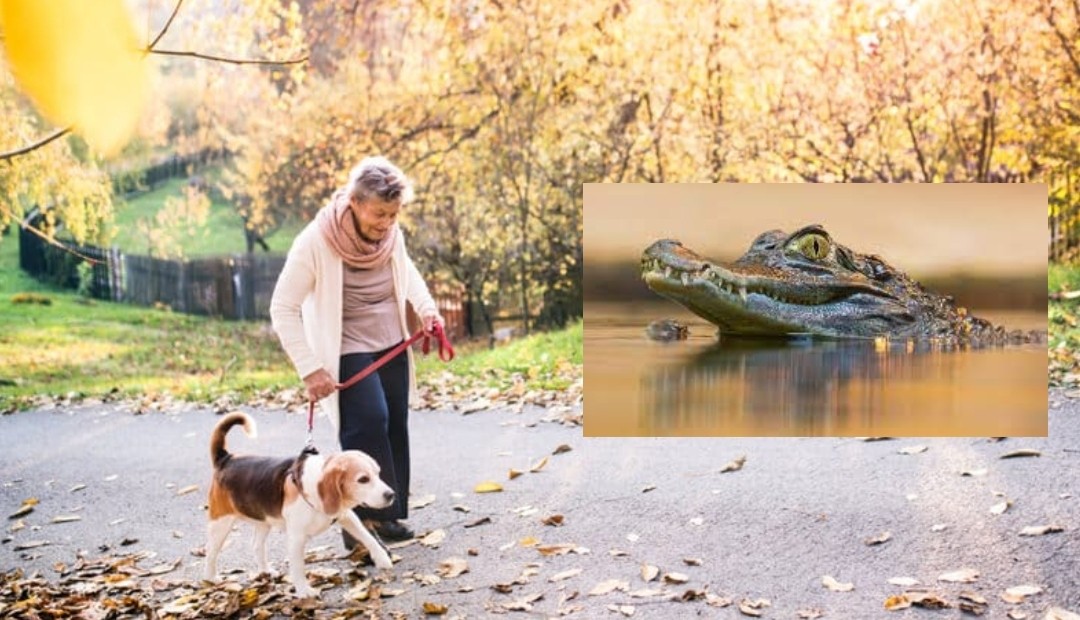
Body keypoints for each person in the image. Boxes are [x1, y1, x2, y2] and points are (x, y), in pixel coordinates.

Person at [270, 156, 442, 545]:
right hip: (346, 343)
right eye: (379, 213)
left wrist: (427, 309)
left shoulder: (391, 235)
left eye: (394, 214)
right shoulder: (316, 241)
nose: (386, 223)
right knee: (368, 421)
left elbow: (407, 271)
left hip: (391, 339)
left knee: (395, 424)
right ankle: (359, 530)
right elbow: (282, 308)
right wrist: (310, 369)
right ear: (354, 202)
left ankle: (388, 517)